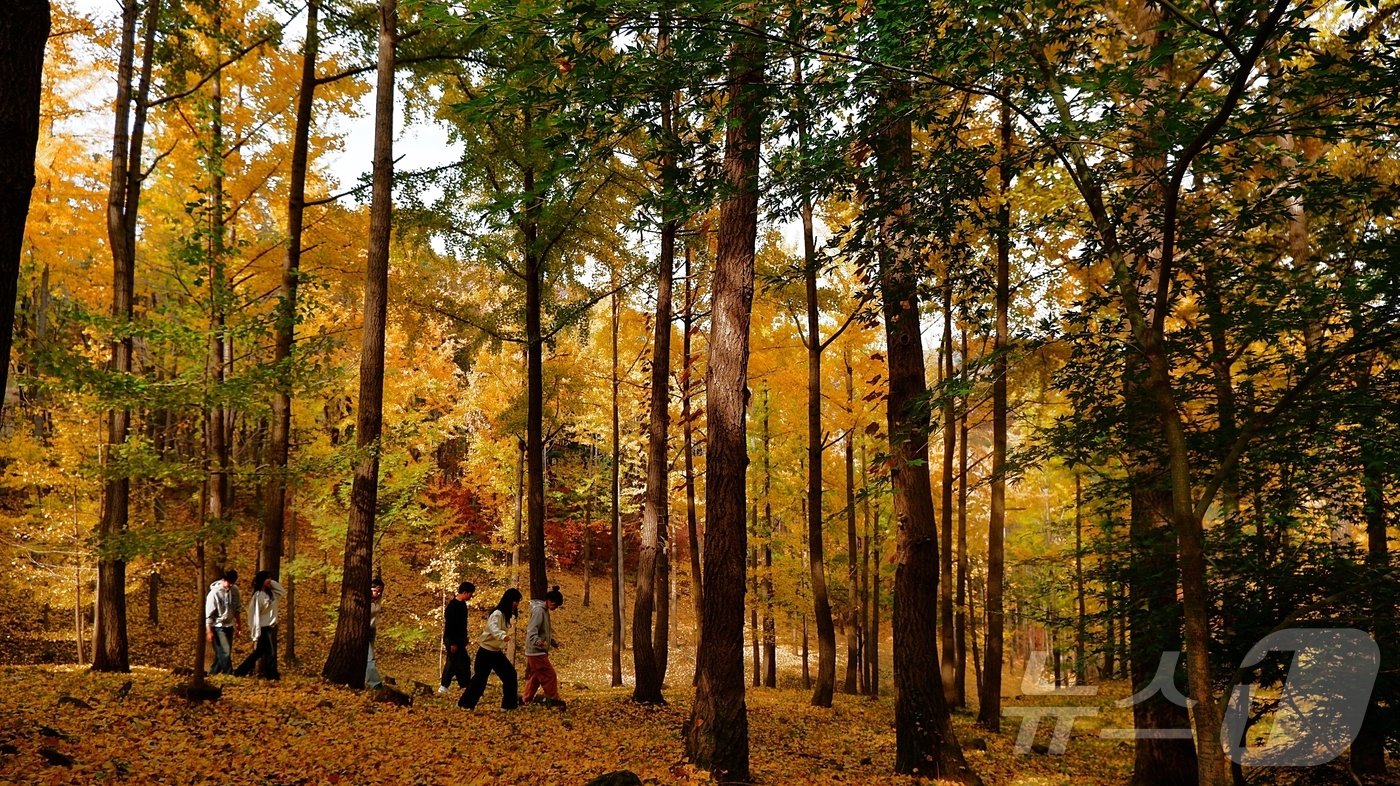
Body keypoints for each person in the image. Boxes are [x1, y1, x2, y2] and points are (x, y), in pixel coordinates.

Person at [458, 588, 521, 710]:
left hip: (495, 652)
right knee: (480, 680)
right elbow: (492, 627)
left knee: (510, 675)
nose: (516, 604)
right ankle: (465, 704)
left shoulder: (506, 615)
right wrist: (503, 636)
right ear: (510, 600)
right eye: (516, 601)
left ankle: (509, 706)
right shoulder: (497, 613)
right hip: (486, 652)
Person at [235, 570, 286, 679]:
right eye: (267, 578)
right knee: (270, 653)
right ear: (261, 580)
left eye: (270, 578)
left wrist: (270, 582)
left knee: (258, 653)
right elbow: (254, 615)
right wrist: (255, 631)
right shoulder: (258, 596)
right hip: (263, 628)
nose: (270, 580)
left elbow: (282, 591)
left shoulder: (271, 593)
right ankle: (272, 676)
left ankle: (240, 671)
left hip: (270, 627)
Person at [522, 585, 566, 708]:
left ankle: (526, 698)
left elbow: (543, 631)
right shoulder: (539, 611)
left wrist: (551, 641)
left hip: (538, 650)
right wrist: (537, 641)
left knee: (536, 676)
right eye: (555, 605)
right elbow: (532, 630)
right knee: (549, 675)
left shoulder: (544, 611)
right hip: (536, 651)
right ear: (549, 600)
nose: (555, 608)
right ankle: (553, 699)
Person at [439, 581, 475, 695]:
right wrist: (453, 643)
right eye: (470, 594)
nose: (471, 596)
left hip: (460, 640)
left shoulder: (463, 605)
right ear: (464, 592)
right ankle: (444, 686)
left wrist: (464, 638)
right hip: (452, 639)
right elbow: (451, 625)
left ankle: (464, 684)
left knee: (463, 661)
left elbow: (462, 624)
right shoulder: (453, 606)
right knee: (452, 662)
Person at [204, 569, 242, 675]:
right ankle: (229, 673)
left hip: (229, 625)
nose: (230, 585)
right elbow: (209, 615)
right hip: (218, 625)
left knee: (223, 653)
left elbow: (237, 609)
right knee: (225, 651)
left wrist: (239, 625)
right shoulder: (214, 594)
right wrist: (209, 631)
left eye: (232, 583)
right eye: (228, 582)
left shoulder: (235, 590)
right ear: (223, 580)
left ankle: (212, 674)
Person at [366, 577, 385, 689]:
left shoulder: (378, 600)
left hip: (372, 630)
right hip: (364, 631)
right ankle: (375, 683)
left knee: (369, 656)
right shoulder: (365, 600)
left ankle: (367, 679)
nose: (377, 593)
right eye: (375, 590)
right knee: (370, 657)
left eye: (380, 591)